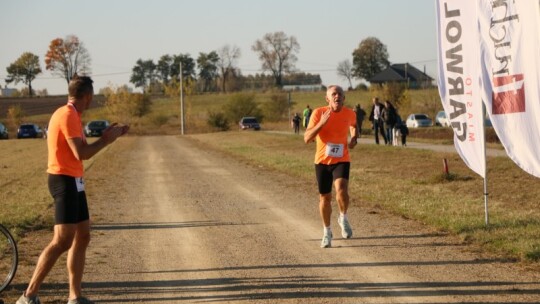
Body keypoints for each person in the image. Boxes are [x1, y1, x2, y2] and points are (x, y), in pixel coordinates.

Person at [17, 75, 129, 304]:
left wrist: (105, 136)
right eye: (92, 97)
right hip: (63, 180)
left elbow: (81, 149)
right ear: (87, 96)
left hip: (74, 180)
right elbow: (82, 154)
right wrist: (106, 141)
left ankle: (74, 296)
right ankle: (28, 296)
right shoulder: (67, 115)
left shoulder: (73, 115)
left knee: (83, 235)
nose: (91, 101)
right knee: (62, 240)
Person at [304, 85, 358, 248]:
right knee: (325, 198)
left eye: (340, 94)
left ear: (344, 98)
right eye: (333, 94)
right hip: (322, 161)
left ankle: (343, 216)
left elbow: (353, 125)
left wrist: (354, 137)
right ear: (327, 99)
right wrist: (321, 123)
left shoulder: (350, 113)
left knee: (341, 190)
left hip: (342, 159)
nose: (337, 96)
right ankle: (327, 231)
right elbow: (307, 138)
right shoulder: (318, 113)